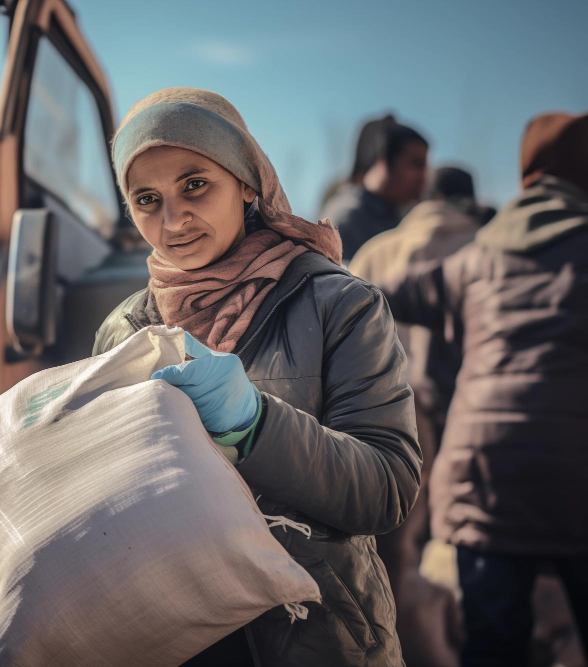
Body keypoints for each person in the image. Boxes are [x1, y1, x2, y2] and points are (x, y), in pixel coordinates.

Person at [93, 87, 421, 666]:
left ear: (247, 183)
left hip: (312, 636)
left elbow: (385, 487)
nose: (173, 220)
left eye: (195, 185)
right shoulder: (124, 330)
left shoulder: (337, 305)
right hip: (168, 638)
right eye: (147, 199)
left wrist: (255, 425)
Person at [374, 112, 588, 667]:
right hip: (575, 471)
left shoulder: (477, 259)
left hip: (483, 473)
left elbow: (381, 290)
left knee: (493, 646)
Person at [349, 167, 483, 667]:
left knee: (391, 558)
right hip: (465, 425)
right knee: (466, 558)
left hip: (388, 420)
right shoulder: (485, 248)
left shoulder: (379, 249)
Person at [321, 120, 429, 263]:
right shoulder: (348, 218)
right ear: (383, 162)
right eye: (416, 165)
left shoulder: (395, 215)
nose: (423, 177)